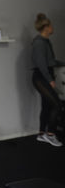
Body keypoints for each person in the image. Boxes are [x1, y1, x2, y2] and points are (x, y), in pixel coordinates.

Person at [32, 13, 64, 147]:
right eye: (50, 25)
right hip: (41, 77)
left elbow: (50, 61)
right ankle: (50, 134)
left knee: (47, 105)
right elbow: (41, 64)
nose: (52, 28)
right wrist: (50, 80)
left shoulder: (46, 41)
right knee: (57, 104)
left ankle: (41, 134)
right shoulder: (39, 42)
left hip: (44, 75)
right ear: (46, 27)